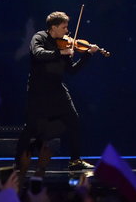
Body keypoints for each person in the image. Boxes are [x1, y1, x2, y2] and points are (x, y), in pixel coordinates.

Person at [15, 11, 99, 172]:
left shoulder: (65, 44)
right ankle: (18, 162)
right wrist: (60, 53)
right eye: (64, 27)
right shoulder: (39, 37)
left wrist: (87, 55)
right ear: (53, 27)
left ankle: (75, 160)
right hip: (38, 90)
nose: (67, 31)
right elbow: (38, 54)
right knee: (31, 127)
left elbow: (72, 71)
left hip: (57, 89)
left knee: (74, 121)